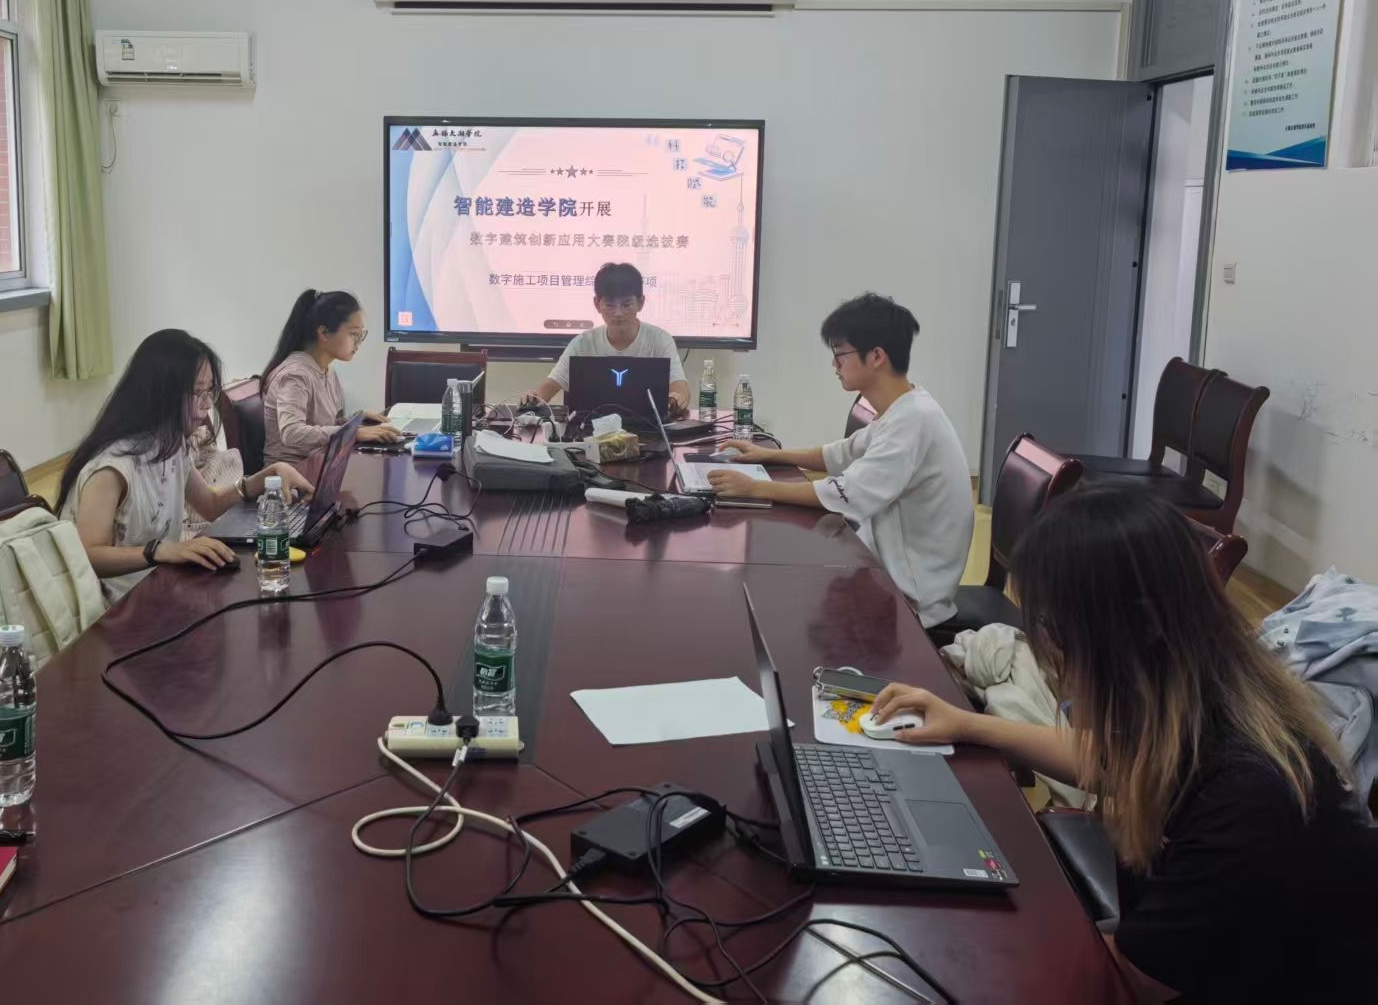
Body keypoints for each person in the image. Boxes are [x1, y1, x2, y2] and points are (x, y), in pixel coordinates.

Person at [870, 486, 1378, 1003]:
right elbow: (1107, 760)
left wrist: (948, 947)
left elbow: (1125, 984)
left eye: (1053, 629)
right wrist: (967, 725)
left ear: (1144, 623)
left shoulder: (1247, 795)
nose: (1047, 653)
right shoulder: (1203, 706)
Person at [708, 293, 972, 628]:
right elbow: (840, 454)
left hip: (911, 599)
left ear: (876, 356)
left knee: (783, 603)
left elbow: (847, 493)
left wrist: (755, 489)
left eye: (840, 354)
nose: (834, 365)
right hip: (881, 565)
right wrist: (769, 454)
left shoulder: (913, 420)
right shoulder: (905, 408)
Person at [56, 329, 312, 605]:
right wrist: (160, 551)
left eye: (210, 391)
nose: (207, 405)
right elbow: (88, 554)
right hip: (110, 608)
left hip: (157, 588)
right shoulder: (111, 468)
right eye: (197, 393)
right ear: (159, 394)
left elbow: (209, 504)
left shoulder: (170, 443)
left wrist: (267, 477)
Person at [526, 262, 690, 417]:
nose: (618, 313)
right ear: (597, 304)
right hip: (590, 431)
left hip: (650, 430)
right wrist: (533, 398)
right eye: (610, 305)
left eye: (626, 305)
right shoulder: (583, 343)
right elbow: (548, 388)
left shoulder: (660, 340)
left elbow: (681, 391)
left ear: (640, 303)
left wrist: (676, 399)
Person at [262, 290, 400, 466]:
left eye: (361, 335)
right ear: (324, 333)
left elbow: (321, 424)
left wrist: (356, 420)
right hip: (292, 473)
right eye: (353, 334)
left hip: (320, 465)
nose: (358, 343)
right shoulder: (295, 375)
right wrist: (352, 433)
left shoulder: (328, 371)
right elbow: (292, 432)